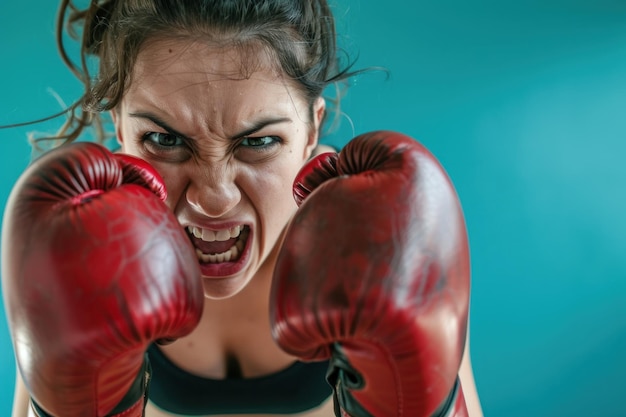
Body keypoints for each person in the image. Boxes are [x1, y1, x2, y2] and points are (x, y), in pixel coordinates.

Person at [4, 1, 484, 416]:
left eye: (258, 142)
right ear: (119, 130)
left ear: (312, 129)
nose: (213, 198)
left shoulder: (382, 239)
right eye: (163, 140)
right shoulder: (82, 247)